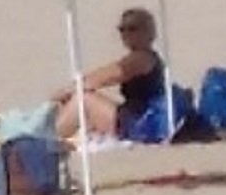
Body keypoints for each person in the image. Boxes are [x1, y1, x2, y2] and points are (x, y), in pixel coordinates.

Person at [49, 8, 166, 142]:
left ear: (149, 32)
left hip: (140, 124)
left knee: (85, 100)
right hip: (137, 117)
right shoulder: (144, 57)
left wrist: (68, 90)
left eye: (133, 28)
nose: (126, 34)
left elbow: (105, 76)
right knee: (81, 101)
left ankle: (45, 137)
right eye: (122, 29)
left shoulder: (142, 58)